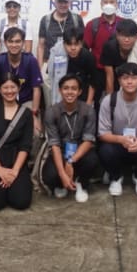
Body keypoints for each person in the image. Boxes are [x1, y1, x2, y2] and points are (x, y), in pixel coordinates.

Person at [97, 63, 137, 197]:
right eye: (125, 78)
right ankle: (115, 177)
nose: (130, 82)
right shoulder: (109, 101)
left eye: (134, 77)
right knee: (105, 150)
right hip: (118, 144)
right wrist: (121, 139)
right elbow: (103, 134)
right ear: (119, 80)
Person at [0, 73, 35, 212]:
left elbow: (25, 145)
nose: (9, 91)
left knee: (21, 202)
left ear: (19, 88)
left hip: (16, 160)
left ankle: (11, 187)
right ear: (0, 89)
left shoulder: (26, 113)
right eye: (5, 87)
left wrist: (14, 171)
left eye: (13, 87)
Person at [43, 74, 98, 203]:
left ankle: (80, 184)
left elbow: (88, 140)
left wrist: (71, 161)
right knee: (50, 176)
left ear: (79, 91)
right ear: (60, 90)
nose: (69, 92)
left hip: (80, 150)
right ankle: (61, 183)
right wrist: (62, 174)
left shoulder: (88, 110)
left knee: (92, 160)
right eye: (66, 88)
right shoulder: (52, 112)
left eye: (74, 89)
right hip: (61, 150)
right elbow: (54, 144)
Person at [99, 18, 137, 98]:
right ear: (117, 35)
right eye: (123, 36)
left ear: (136, 37)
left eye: (130, 36)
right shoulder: (109, 47)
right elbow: (109, 77)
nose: (126, 40)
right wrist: (110, 102)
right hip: (116, 86)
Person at [37, 0, 84, 74]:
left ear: (70, 2)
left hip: (72, 65)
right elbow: (41, 46)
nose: (63, 5)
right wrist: (40, 69)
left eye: (65, 2)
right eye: (60, 2)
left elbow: (82, 43)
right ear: (55, 2)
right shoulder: (45, 20)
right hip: (50, 65)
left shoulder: (77, 19)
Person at [85, 0, 122, 85]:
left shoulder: (123, 23)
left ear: (117, 4)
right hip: (98, 72)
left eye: (112, 2)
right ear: (101, 4)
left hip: (120, 72)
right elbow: (84, 50)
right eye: (105, 2)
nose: (108, 5)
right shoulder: (92, 25)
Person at [62, 27, 99, 106]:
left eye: (76, 44)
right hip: (62, 97)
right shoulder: (57, 56)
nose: (73, 48)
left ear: (81, 44)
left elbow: (92, 83)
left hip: (83, 97)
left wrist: (88, 105)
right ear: (64, 44)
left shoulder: (88, 57)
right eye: (69, 44)